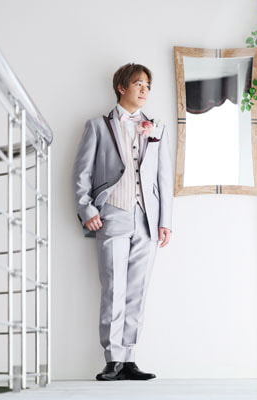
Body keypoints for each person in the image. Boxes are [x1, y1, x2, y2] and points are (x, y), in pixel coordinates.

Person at [72, 63, 173, 381]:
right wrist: (87, 210)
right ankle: (112, 358)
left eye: (148, 86)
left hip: (147, 218)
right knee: (114, 287)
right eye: (138, 83)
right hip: (112, 214)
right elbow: (81, 173)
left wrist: (165, 220)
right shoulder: (97, 126)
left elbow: (164, 178)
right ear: (121, 87)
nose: (144, 90)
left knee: (137, 290)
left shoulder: (156, 128)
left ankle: (129, 358)